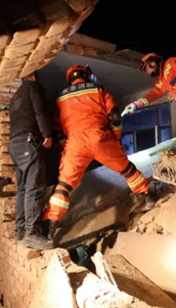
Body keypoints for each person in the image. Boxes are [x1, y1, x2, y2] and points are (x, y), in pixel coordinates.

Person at [42, 65, 150, 223]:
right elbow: (115, 117)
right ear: (86, 75)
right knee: (128, 170)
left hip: (75, 142)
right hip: (100, 137)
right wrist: (115, 138)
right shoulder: (99, 90)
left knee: (64, 186)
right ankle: (148, 198)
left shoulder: (60, 99)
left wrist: (63, 148)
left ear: (69, 79)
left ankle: (49, 226)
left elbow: (57, 130)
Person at [123, 54, 176, 157]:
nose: (148, 72)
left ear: (153, 63)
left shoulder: (171, 63)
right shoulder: (161, 82)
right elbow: (153, 95)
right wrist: (136, 104)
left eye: (147, 68)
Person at [8, 72, 53, 250]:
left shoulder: (16, 95)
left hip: (14, 145)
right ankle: (32, 234)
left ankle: (20, 232)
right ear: (34, 75)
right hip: (27, 143)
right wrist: (47, 135)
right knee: (34, 188)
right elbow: (40, 111)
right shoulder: (33, 87)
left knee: (23, 189)